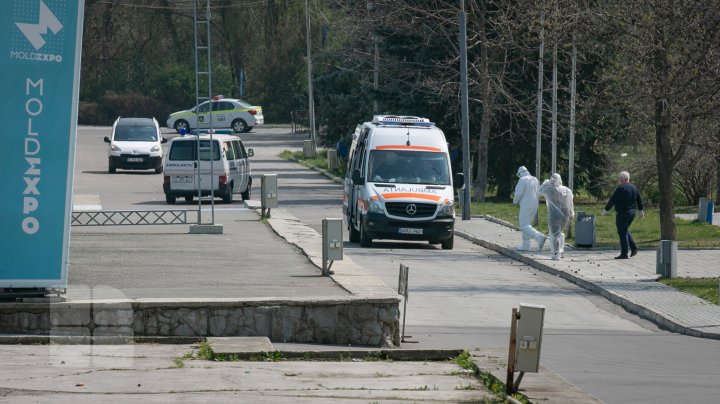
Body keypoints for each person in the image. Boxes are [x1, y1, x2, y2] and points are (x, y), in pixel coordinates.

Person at [603, 171, 644, 259]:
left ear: (622, 179)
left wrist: (606, 209)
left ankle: (624, 253)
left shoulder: (621, 188)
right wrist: (641, 211)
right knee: (624, 230)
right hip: (632, 213)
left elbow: (613, 199)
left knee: (622, 232)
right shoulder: (634, 187)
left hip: (623, 213)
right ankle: (633, 248)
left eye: (620, 179)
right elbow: (639, 200)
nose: (619, 180)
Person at [538, 173, 575, 260]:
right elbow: (571, 203)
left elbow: (538, 192)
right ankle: (561, 252)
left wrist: (545, 182)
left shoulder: (549, 189)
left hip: (554, 215)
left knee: (554, 235)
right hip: (565, 214)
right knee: (560, 232)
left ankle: (556, 254)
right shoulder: (567, 190)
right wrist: (572, 213)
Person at [513, 166, 547, 251]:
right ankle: (526, 245)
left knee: (523, 225)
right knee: (527, 225)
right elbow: (539, 192)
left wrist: (515, 201)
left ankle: (539, 237)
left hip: (526, 204)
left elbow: (518, 193)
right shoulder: (534, 179)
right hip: (535, 204)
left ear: (520, 173)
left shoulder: (522, 179)